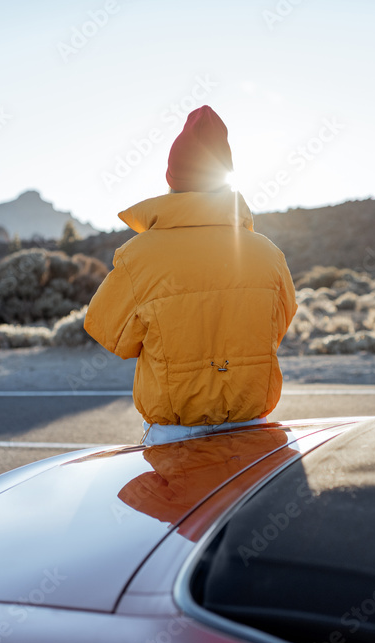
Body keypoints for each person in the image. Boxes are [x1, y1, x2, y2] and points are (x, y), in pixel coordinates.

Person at [84, 105, 297, 445]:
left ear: (173, 179)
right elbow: (276, 328)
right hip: (256, 430)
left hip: (174, 438)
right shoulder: (268, 254)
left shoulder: (137, 257)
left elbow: (110, 335)